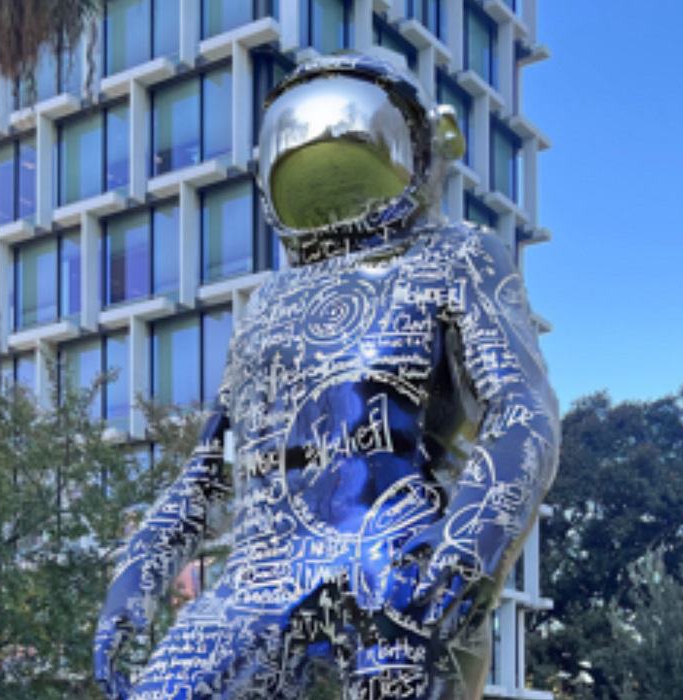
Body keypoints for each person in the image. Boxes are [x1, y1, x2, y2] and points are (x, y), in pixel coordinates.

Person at [94, 53, 559, 700]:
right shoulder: (268, 304)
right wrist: (135, 579)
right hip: (257, 580)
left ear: (424, 145)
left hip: (393, 563)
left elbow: (521, 410)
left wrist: (464, 552)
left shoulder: (457, 256)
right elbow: (208, 471)